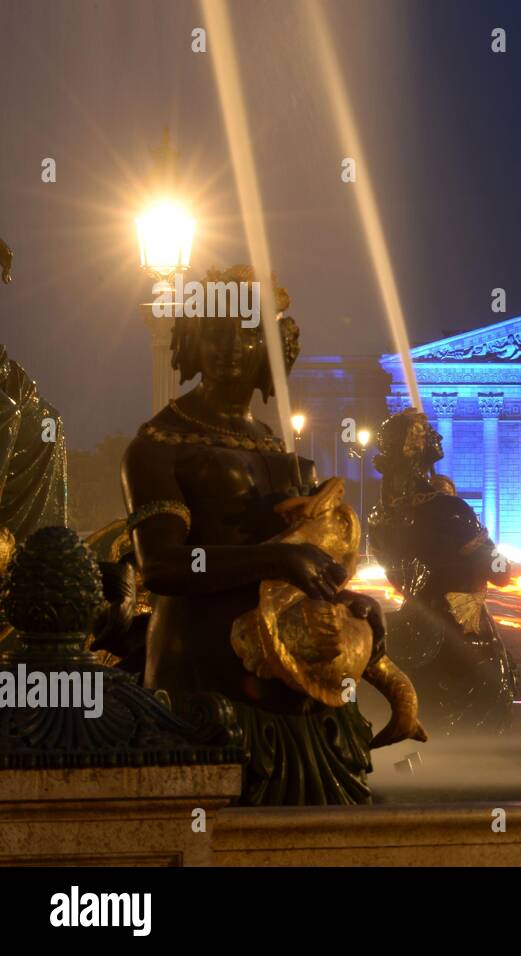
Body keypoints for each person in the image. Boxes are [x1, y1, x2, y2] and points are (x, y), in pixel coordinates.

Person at [121, 266, 418, 805]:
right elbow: (162, 566)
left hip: (291, 688)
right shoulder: (158, 447)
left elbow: (303, 571)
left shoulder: (281, 455)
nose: (233, 347)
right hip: (204, 684)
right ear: (190, 338)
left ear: (276, 347)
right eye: (217, 331)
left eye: (251, 331)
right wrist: (275, 560)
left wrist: (353, 605)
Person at [368, 408, 517, 734]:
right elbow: (500, 571)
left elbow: (393, 573)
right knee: (492, 696)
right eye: (427, 431)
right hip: (461, 628)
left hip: (413, 620)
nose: (437, 435)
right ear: (415, 446)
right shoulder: (451, 510)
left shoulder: (380, 516)